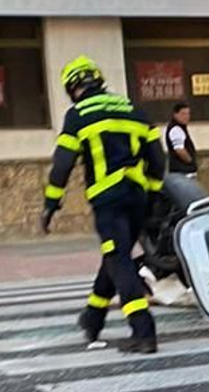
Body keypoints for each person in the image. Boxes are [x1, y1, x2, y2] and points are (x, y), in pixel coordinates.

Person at [41, 56, 164, 356]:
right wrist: (153, 195)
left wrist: (51, 203)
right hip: (137, 197)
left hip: (108, 200)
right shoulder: (133, 108)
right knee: (115, 255)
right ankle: (93, 317)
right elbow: (157, 159)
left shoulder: (78, 115)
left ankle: (143, 330)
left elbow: (62, 164)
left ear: (72, 87)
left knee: (119, 259)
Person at [164, 100, 198, 176]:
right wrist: (190, 161)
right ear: (175, 114)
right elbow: (179, 150)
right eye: (183, 114)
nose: (186, 117)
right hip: (182, 172)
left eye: (188, 114)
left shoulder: (181, 128)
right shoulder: (176, 129)